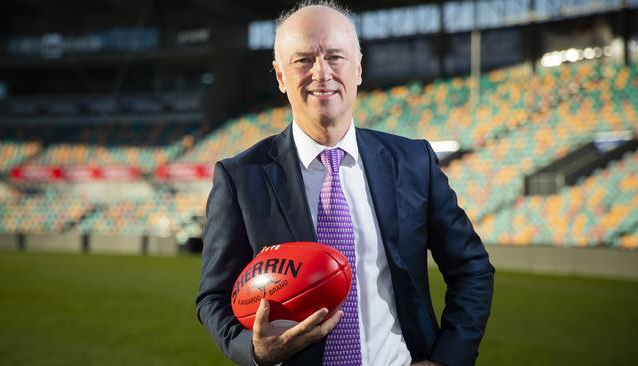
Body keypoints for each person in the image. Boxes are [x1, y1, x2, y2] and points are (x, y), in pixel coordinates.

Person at [196, 2, 495, 366]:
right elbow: (213, 297)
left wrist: (446, 359)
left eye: (335, 56)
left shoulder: (413, 162)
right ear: (279, 76)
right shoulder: (240, 178)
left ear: (358, 69)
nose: (321, 73)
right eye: (302, 60)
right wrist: (256, 351)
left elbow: (471, 268)